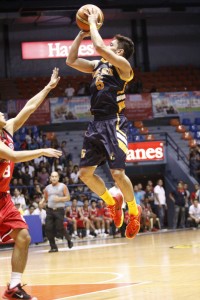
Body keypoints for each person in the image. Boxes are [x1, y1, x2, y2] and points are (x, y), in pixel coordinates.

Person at [66, 10, 141, 240]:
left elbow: (99, 47)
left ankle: (135, 212)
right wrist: (82, 32)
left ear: (119, 51)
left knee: (117, 173)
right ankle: (112, 201)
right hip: (95, 123)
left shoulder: (124, 67)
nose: (107, 45)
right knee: (84, 174)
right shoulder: (98, 65)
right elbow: (71, 60)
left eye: (112, 44)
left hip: (113, 123)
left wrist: (91, 23)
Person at [0, 68, 62, 300]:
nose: (2, 112)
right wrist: (42, 150)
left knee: (24, 237)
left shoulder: (6, 130)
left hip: (3, 198)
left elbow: (29, 107)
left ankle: (13, 287)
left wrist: (48, 87)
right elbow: (13, 157)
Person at [40, 171, 73, 252]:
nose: (54, 178)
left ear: (58, 178)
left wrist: (60, 199)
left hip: (59, 210)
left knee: (59, 227)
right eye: (52, 176)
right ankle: (53, 247)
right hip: (49, 210)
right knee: (48, 228)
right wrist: (42, 201)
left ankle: (68, 239)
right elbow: (45, 198)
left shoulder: (63, 186)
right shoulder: (47, 188)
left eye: (55, 176)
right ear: (50, 178)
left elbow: (68, 197)